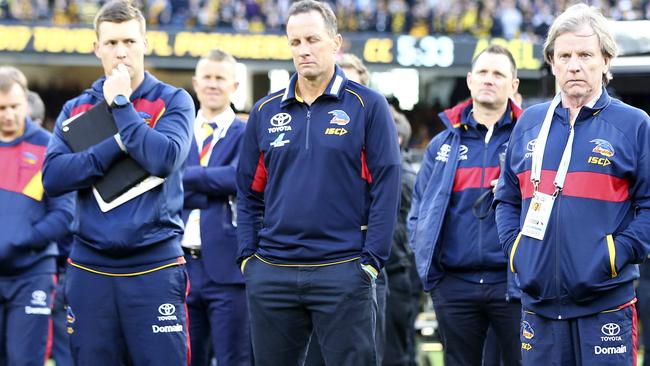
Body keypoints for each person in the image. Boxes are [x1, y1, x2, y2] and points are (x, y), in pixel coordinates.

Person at [236, 1, 401, 365]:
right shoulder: (265, 112)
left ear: (335, 42)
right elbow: (248, 194)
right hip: (273, 272)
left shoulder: (368, 105)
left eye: (312, 39)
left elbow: (387, 188)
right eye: (295, 42)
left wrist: (370, 261)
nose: (303, 50)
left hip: (342, 270)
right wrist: (250, 258)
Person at [494, 4, 650, 365]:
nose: (574, 64)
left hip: (606, 305)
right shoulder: (529, 123)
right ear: (551, 62)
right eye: (564, 55)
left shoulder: (634, 124)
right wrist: (517, 251)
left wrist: (615, 255)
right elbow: (505, 200)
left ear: (606, 61)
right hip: (539, 306)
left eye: (585, 54)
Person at [42, 1, 195, 364]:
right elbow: (53, 178)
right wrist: (116, 146)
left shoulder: (173, 101)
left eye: (129, 41)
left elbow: (164, 159)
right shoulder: (75, 109)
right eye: (110, 43)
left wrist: (122, 104)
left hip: (154, 265)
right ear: (96, 48)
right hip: (89, 267)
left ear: (146, 43)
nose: (121, 52)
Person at [408, 44, 523, 366]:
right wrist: (435, 278)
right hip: (454, 286)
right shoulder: (441, 145)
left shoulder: (531, 141)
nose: (489, 79)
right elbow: (420, 212)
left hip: (513, 283)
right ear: (470, 80)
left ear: (513, 85)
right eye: (483, 72)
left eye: (499, 74)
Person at [181, 48, 251, 366]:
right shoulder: (176, 132)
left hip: (228, 271)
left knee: (233, 359)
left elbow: (239, 179)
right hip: (180, 266)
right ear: (195, 83)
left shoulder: (247, 133)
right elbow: (163, 184)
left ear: (234, 86)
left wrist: (186, 178)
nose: (212, 84)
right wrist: (213, 186)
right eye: (207, 77)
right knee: (185, 358)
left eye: (220, 78)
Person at [0, 66, 74, 365]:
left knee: (24, 359)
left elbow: (64, 214)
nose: (8, 114)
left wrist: (21, 240)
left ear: (26, 103)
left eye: (14, 107)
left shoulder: (49, 147)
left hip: (32, 274)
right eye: (1, 108)